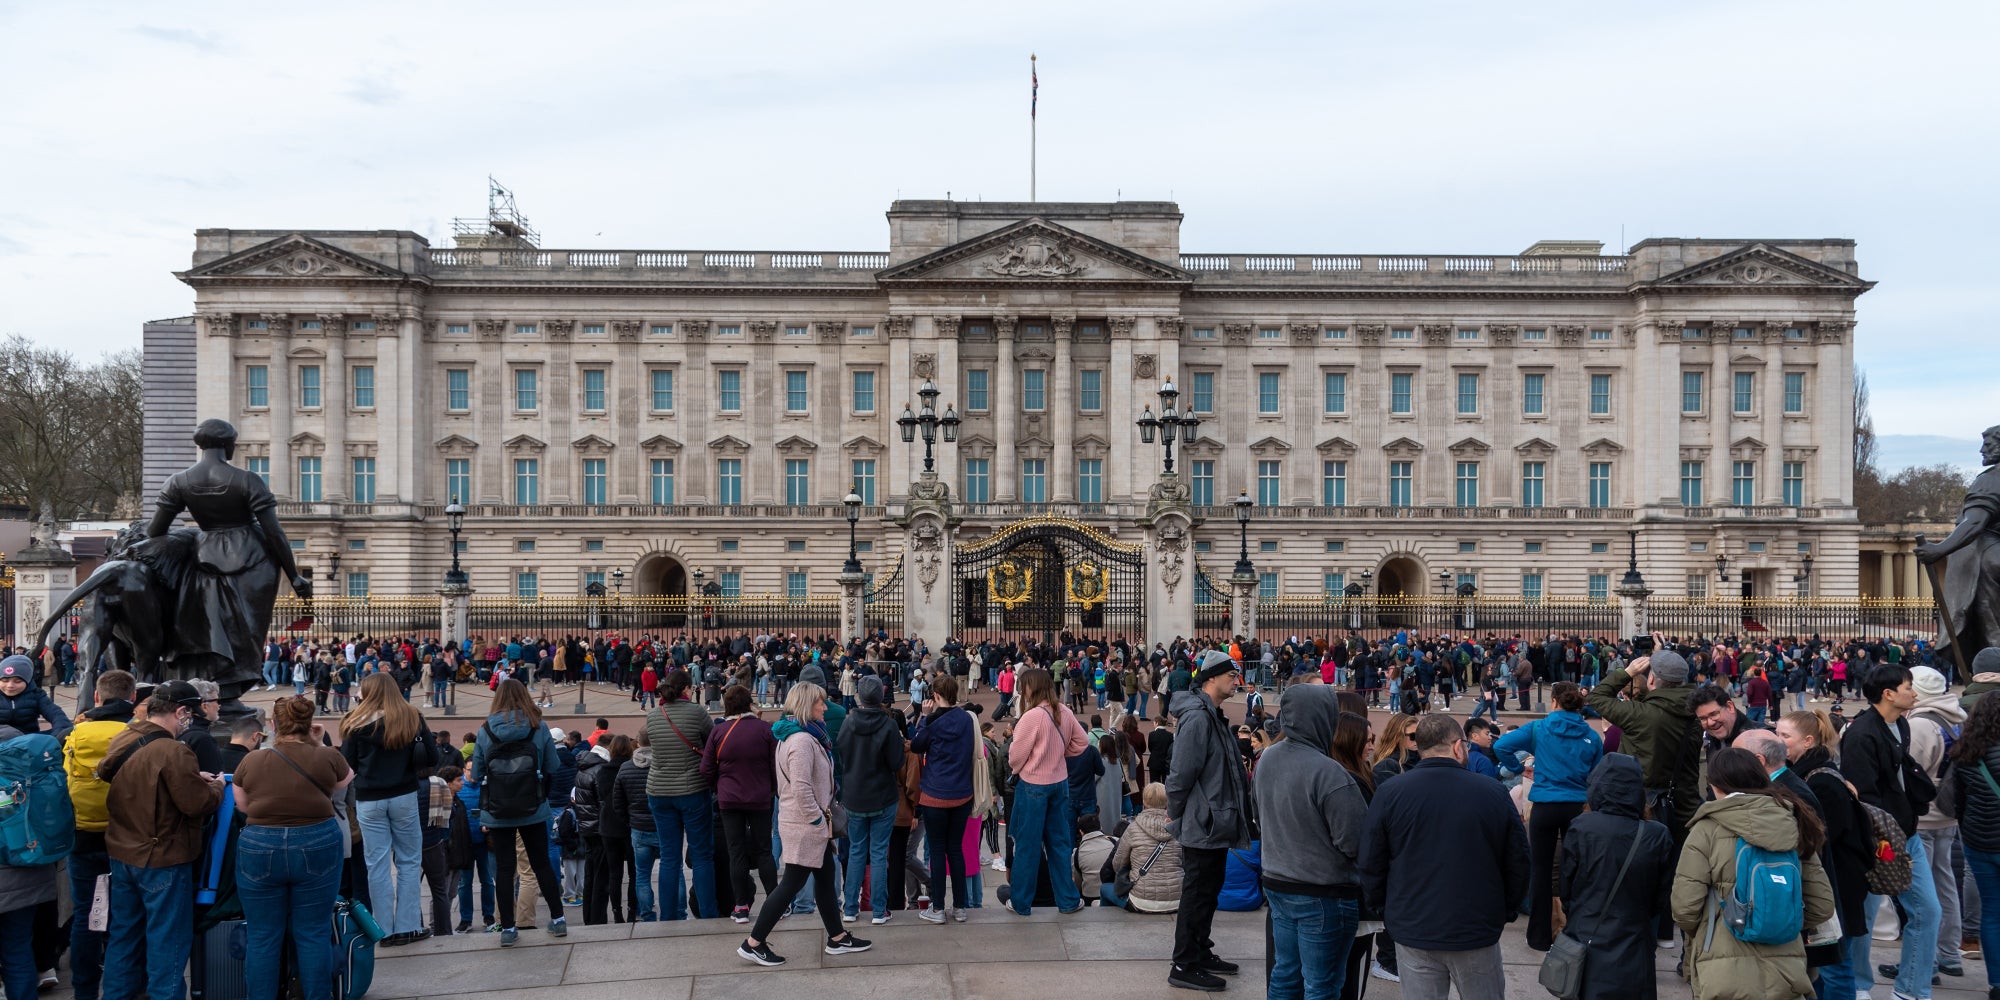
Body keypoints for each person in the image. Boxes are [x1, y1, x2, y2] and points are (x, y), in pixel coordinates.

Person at [1358, 713, 1529, 1000]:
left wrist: (1386, 909)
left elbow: (1371, 860)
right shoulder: (1491, 793)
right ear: (1457, 747)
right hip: (1474, 927)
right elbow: (1518, 861)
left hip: (1414, 926)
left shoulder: (1391, 792)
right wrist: (1504, 910)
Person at [96, 680, 227, 1000]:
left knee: (124, 939)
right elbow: (197, 804)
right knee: (167, 945)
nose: (190, 721)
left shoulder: (125, 736)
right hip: (163, 857)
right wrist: (216, 786)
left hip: (123, 851)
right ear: (181, 712)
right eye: (189, 715)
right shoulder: (174, 750)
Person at [1671, 747, 1835, 1000]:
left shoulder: (1706, 829)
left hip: (1722, 966)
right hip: (1787, 970)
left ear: (1715, 785)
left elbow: (1685, 907)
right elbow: (1822, 905)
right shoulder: (1793, 823)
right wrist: (1778, 916)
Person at [735, 683, 871, 967]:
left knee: (824, 876)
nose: (825, 707)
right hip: (805, 824)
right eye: (820, 703)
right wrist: (817, 819)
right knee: (791, 885)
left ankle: (837, 937)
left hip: (805, 822)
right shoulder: (801, 741)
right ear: (807, 706)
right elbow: (800, 787)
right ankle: (753, 943)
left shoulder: (800, 736)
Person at [232, 696, 353, 1000]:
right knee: (313, 933)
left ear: (273, 725)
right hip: (317, 840)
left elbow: (243, 805)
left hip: (260, 842)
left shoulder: (252, 760)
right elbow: (344, 780)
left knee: (262, 936)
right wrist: (318, 741)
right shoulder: (327, 756)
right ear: (310, 725)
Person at [1256, 685, 1365, 1000]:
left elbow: (1259, 815)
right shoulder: (1330, 772)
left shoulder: (1268, 758)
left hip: (1277, 882)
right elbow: (1355, 841)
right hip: (1323, 891)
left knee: (1285, 976)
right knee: (1322, 984)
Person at [1841, 663, 1943, 999]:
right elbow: (1865, 797)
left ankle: (1912, 989)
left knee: (1927, 911)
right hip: (1879, 840)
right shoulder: (1861, 735)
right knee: (1864, 918)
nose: (1913, 692)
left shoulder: (1900, 723)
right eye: (1907, 686)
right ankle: (1858, 985)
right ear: (1888, 694)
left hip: (1906, 834)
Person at [1163, 650, 1254, 992]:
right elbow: (1181, 774)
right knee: (1197, 893)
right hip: (1203, 820)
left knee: (1209, 891)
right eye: (1231, 676)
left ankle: (1200, 950)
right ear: (1212, 678)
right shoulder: (1200, 718)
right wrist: (1178, 811)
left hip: (1215, 820)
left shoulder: (1212, 714)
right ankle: (1184, 962)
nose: (1236, 681)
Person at [1493, 680, 1604, 950]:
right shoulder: (1591, 736)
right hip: (1577, 804)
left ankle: (1539, 936)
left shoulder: (1539, 728)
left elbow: (1501, 746)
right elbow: (1598, 773)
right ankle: (1573, 930)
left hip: (1545, 803)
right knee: (1577, 869)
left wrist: (1518, 768)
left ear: (1554, 701)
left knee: (1540, 871)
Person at [1556, 754, 1677, 1000]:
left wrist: (1577, 912)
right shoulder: (1657, 834)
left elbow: (1567, 883)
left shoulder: (1583, 826)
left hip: (1587, 931)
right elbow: (1661, 894)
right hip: (1634, 935)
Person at [1776, 709, 1874, 1000]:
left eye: (1784, 736)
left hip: (1837, 890)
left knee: (1834, 965)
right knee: (1821, 965)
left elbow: (1822, 840)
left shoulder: (1821, 782)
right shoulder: (1810, 774)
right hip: (1832, 887)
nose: (1778, 741)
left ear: (1807, 741)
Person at [339, 671, 439, 946]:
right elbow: (432, 756)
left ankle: (383, 928)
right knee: (408, 860)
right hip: (404, 793)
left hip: (369, 798)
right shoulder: (411, 716)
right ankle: (407, 926)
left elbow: (347, 765)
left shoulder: (354, 722)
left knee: (377, 864)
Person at [467, 678, 567, 946]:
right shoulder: (538, 727)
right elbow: (552, 766)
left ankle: (508, 928)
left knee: (504, 868)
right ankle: (557, 919)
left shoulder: (486, 730)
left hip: (498, 809)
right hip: (533, 805)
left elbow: (476, 774)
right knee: (540, 862)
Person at [63, 669, 137, 1000]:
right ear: (132, 698)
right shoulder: (135, 733)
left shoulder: (76, 733)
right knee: (125, 917)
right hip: (125, 836)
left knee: (85, 918)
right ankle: (122, 989)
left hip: (81, 836)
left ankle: (84, 990)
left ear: (97, 697)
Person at [999, 668, 1090, 916]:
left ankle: (1021, 902)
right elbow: (1082, 743)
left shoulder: (1031, 717)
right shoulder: (1065, 711)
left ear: (1033, 688)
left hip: (1033, 785)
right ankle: (1068, 900)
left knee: (1027, 846)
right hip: (1059, 782)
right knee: (1059, 844)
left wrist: (1025, 766)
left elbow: (1015, 757)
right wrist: (1060, 756)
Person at [1909, 665, 1970, 979]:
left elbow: (1911, 771)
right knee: (1944, 882)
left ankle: (1927, 959)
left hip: (1925, 815)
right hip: (1948, 811)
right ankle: (1948, 953)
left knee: (1923, 891)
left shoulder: (1920, 723)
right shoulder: (1955, 716)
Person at [701, 685, 779, 924]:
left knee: (736, 853)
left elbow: (705, 769)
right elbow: (776, 765)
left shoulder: (719, 731)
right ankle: (775, 902)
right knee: (764, 851)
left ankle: (742, 906)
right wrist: (772, 789)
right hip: (760, 797)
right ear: (749, 704)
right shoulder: (766, 729)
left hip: (729, 799)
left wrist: (719, 787)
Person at [644, 668, 717, 920]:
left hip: (659, 791)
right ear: (686, 688)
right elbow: (712, 745)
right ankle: (708, 913)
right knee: (702, 855)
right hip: (692, 789)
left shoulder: (653, 715)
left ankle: (668, 916)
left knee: (669, 857)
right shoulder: (697, 712)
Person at [836, 675, 905, 924]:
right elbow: (897, 763)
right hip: (882, 796)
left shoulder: (848, 723)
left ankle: (851, 908)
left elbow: (842, 755)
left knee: (856, 851)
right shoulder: (887, 726)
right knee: (877, 854)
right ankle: (878, 910)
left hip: (855, 795)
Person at [910, 674, 978, 922]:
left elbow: (916, 746)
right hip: (961, 792)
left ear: (935, 696)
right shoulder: (967, 719)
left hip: (935, 793)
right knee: (955, 850)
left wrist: (924, 719)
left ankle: (937, 907)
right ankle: (959, 907)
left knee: (937, 852)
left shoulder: (933, 723)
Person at [1948, 683, 2000, 1000]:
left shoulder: (1966, 754)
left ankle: (1996, 982)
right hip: (1982, 838)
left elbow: (1959, 804)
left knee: (1991, 912)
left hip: (1980, 842)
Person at [1108, 782, 1183, 912]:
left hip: (1141, 900)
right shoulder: (1178, 828)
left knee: (1105, 889)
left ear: (1143, 801)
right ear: (1167, 802)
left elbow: (1117, 865)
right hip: (1178, 899)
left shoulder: (1133, 829)